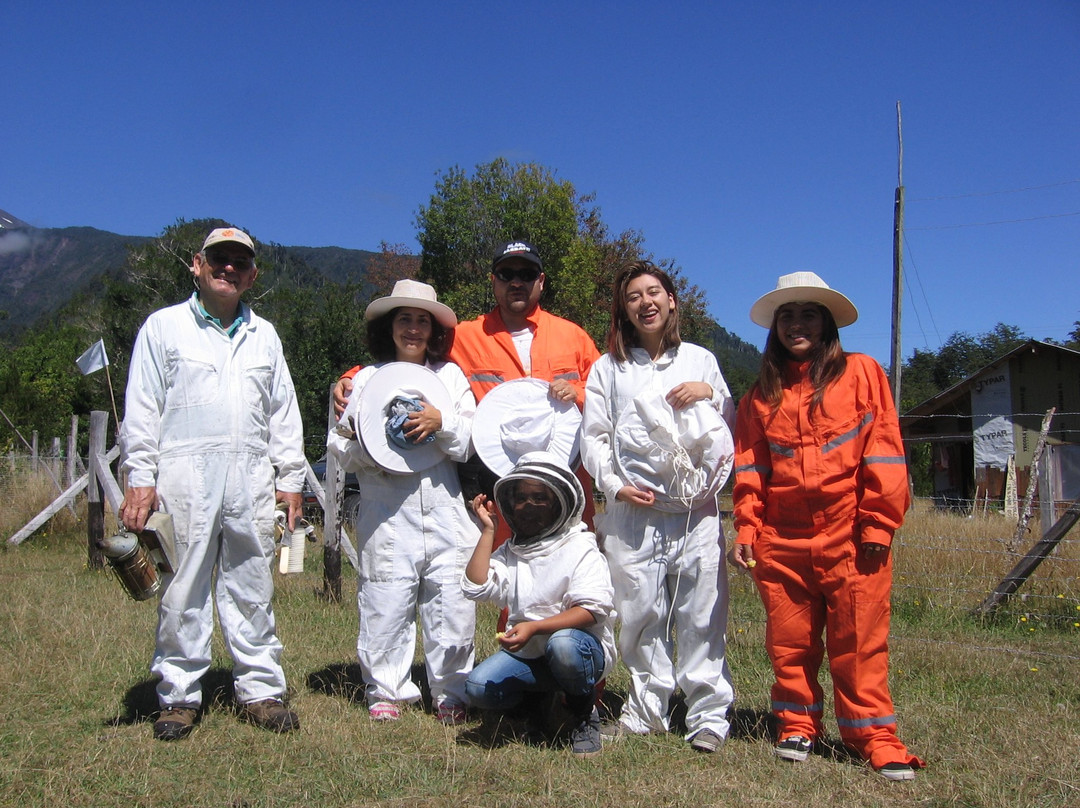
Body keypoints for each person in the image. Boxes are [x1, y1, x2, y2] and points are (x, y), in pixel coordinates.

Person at [731, 271, 924, 781]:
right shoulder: (758, 396)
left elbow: (884, 449)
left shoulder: (862, 373)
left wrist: (879, 526)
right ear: (775, 328)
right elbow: (750, 471)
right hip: (782, 541)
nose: (797, 324)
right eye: (787, 315)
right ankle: (796, 724)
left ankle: (875, 739)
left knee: (858, 643)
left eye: (808, 314)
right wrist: (747, 532)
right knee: (789, 644)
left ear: (826, 323)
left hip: (852, 538)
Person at [119, 226, 305, 741]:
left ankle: (261, 691)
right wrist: (141, 477)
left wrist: (289, 478)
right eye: (218, 259)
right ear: (196, 265)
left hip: (250, 473)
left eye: (239, 262)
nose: (229, 268)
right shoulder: (164, 328)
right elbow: (142, 407)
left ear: (252, 275)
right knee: (184, 584)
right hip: (184, 472)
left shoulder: (264, 334)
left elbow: (282, 412)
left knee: (252, 580)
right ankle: (178, 696)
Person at [580, 261, 736, 753]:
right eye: (633, 296)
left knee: (701, 614)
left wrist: (710, 392)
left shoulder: (701, 359)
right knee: (640, 612)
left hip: (696, 513)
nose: (645, 302)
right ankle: (647, 709)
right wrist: (614, 486)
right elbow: (595, 436)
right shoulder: (609, 368)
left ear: (671, 300)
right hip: (633, 512)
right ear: (623, 310)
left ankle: (708, 714)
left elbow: (727, 430)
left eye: (654, 292)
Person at [333, 240, 600, 501]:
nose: (516, 282)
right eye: (507, 274)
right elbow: (410, 355)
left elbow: (605, 395)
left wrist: (576, 392)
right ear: (493, 280)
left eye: (527, 274)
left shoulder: (574, 336)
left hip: (567, 482)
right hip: (499, 488)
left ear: (541, 280)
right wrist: (354, 375)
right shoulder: (463, 336)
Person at [327, 279, 479, 725]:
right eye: (404, 319)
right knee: (385, 597)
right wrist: (365, 447)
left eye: (421, 321)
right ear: (389, 327)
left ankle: (451, 690)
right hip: (385, 507)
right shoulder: (365, 381)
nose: (413, 329)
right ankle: (386, 689)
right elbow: (338, 445)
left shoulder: (449, 378)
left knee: (451, 600)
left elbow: (471, 440)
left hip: (444, 507)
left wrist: (442, 420)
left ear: (434, 330)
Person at [463, 451, 616, 759]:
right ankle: (538, 704)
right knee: (479, 688)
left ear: (560, 502)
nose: (528, 507)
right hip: (531, 655)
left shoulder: (580, 547)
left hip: (579, 650)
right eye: (521, 499)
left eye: (539, 499)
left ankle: (584, 713)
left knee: (563, 646)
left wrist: (534, 627)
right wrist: (488, 531)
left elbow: (591, 611)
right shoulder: (513, 550)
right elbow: (476, 586)